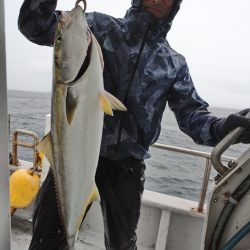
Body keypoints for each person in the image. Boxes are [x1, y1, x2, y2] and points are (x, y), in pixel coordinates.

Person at [18, 0, 250, 249]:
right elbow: (35, 25)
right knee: (46, 240)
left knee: (123, 245)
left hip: (127, 168)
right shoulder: (96, 28)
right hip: (74, 155)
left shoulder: (173, 64)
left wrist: (226, 129)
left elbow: (195, 119)